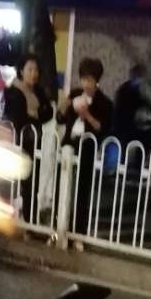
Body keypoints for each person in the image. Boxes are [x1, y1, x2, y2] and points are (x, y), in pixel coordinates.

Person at [58, 57, 113, 233]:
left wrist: (87, 115)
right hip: (69, 145)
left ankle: (78, 231)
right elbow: (60, 119)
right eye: (83, 79)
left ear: (97, 80)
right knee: (62, 186)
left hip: (88, 147)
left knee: (82, 189)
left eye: (90, 80)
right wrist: (63, 107)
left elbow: (103, 128)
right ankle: (59, 225)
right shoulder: (75, 94)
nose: (86, 84)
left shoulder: (104, 103)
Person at [3, 54, 54, 222]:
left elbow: (48, 113)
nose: (34, 73)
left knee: (32, 182)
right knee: (17, 180)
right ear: (21, 71)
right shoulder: (13, 91)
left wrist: (35, 114)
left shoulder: (38, 91)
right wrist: (36, 115)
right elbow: (18, 118)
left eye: (36, 70)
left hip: (35, 141)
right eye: (30, 69)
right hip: (19, 141)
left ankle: (29, 219)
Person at [113, 63, 151, 149]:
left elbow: (144, 103)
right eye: (141, 77)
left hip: (125, 128)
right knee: (147, 138)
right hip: (123, 130)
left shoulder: (130, 89)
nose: (142, 81)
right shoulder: (127, 91)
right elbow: (142, 103)